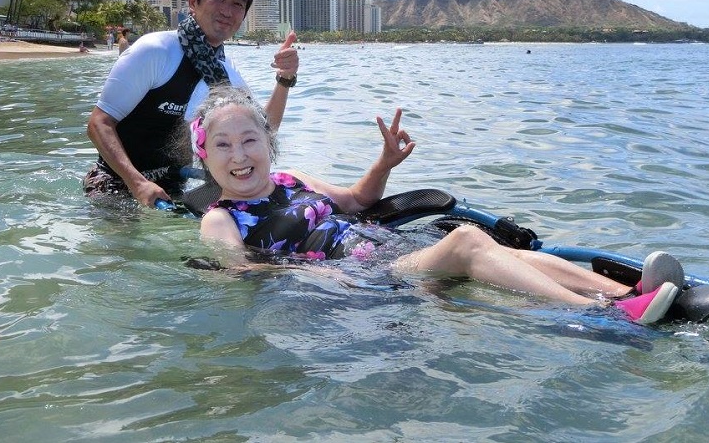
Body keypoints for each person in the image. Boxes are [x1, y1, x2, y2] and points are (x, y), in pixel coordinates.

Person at [189, 89, 684, 325]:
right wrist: (317, 277)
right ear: (204, 156)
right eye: (224, 145)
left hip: (384, 248)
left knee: (497, 246)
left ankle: (626, 288)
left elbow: (361, 201)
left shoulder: (290, 179)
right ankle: (610, 316)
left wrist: (384, 162)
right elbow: (242, 274)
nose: (239, 155)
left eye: (249, 139)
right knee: (467, 239)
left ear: (267, 143)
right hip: (355, 278)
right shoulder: (220, 217)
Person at [83, 0, 299, 207]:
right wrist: (137, 182)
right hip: (115, 184)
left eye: (238, 4)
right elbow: (99, 123)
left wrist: (285, 78)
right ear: (193, 2)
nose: (227, 10)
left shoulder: (225, 73)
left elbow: (264, 130)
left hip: (173, 188)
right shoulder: (155, 52)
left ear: (243, 16)